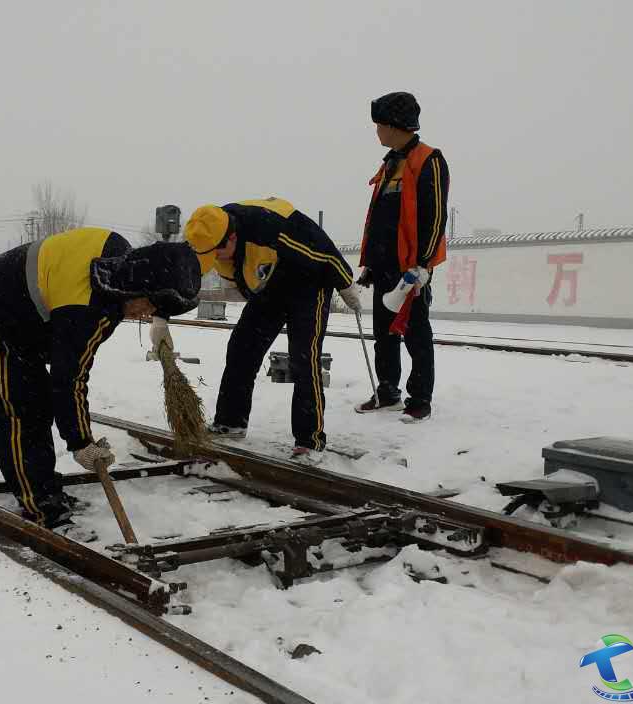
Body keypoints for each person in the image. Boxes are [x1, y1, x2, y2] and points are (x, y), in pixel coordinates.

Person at [0, 228, 200, 539]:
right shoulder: (88, 307)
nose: (145, 314)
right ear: (136, 287)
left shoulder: (118, 268)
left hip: (23, 317)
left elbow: (67, 374)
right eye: (148, 305)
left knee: (38, 404)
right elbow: (69, 378)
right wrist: (82, 442)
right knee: (17, 411)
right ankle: (41, 507)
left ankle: (44, 488)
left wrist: (161, 323)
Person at [183, 198, 361, 462]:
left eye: (217, 252)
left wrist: (346, 285)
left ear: (231, 237)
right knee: (242, 348)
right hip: (270, 286)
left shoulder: (270, 227)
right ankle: (231, 422)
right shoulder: (209, 231)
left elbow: (324, 251)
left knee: (304, 358)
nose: (215, 258)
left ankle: (309, 440)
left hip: (309, 283)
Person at [354, 91, 450, 421]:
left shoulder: (429, 160)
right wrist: (369, 263)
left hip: (411, 266)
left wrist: (422, 264)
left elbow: (435, 217)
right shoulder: (390, 164)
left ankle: (420, 398)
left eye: (379, 124)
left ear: (394, 125)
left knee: (415, 331)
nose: (376, 131)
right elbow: (378, 219)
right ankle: (387, 391)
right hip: (383, 264)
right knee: (384, 332)